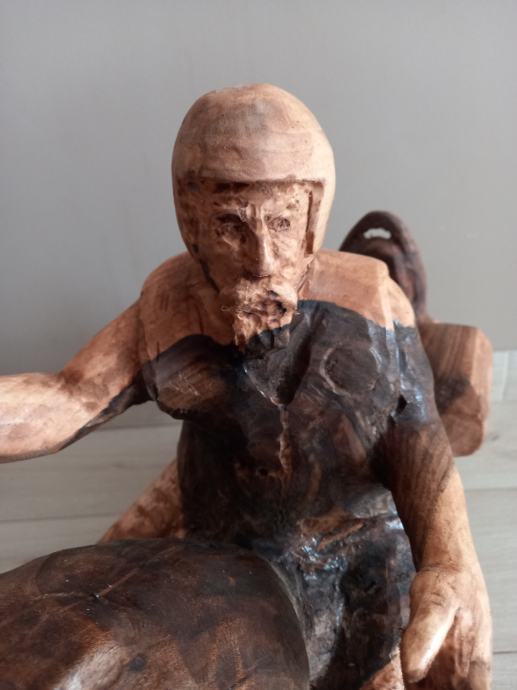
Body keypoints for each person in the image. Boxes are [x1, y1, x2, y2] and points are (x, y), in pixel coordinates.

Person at [0, 84, 490, 689]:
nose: (261, 259)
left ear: (312, 220)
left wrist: (449, 561)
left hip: (359, 550)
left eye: (281, 222)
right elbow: (68, 396)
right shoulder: (170, 308)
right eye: (231, 225)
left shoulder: (371, 307)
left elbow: (419, 441)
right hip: (222, 545)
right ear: (191, 223)